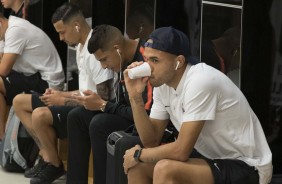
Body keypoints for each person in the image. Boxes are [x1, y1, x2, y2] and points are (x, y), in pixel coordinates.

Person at [123, 27, 273, 184]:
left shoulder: (200, 81)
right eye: (147, 60)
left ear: (178, 62)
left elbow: (181, 151)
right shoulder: (162, 84)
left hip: (247, 165)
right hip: (210, 158)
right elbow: (151, 141)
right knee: (138, 166)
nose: (148, 67)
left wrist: (138, 154)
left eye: (155, 60)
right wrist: (135, 97)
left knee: (164, 169)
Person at [12, 3, 115, 184]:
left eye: (62, 32)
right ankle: (48, 159)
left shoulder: (95, 48)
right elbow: (85, 90)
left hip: (97, 111)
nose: (60, 38)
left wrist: (64, 99)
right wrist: (62, 95)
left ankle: (53, 164)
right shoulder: (80, 47)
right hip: (83, 105)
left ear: (76, 25)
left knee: (41, 115)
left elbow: (103, 98)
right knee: (20, 102)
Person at [66, 24, 153, 184]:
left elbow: (145, 114)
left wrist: (103, 105)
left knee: (100, 123)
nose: (103, 66)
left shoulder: (144, 61)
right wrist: (95, 102)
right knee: (77, 116)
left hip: (146, 123)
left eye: (104, 59)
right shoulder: (121, 59)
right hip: (127, 113)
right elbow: (121, 104)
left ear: (117, 48)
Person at [0, 12, 65, 141]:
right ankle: (1, 138)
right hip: (32, 76)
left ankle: (2, 138)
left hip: (48, 83)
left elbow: (3, 69)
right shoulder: (6, 31)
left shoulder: (15, 30)